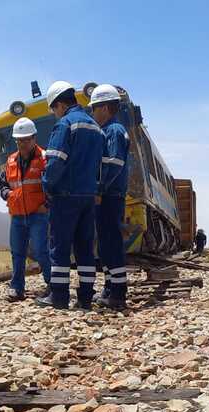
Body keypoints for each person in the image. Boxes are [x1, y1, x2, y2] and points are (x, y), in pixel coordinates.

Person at [37, 81, 103, 310]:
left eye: (54, 109)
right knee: (85, 249)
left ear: (60, 104)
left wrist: (47, 186)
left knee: (60, 248)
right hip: (88, 196)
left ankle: (59, 297)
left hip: (66, 196)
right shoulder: (95, 127)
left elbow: (55, 163)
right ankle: (85, 298)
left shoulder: (65, 125)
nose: (55, 114)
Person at [0, 117, 51, 301]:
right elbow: (3, 182)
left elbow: (53, 183)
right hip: (18, 215)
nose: (23, 143)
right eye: (20, 140)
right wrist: (6, 194)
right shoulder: (11, 160)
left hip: (38, 214)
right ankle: (17, 288)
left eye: (27, 139)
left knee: (41, 250)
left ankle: (52, 285)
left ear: (34, 138)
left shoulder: (44, 158)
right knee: (18, 252)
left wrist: (48, 205)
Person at [90, 84, 130, 310]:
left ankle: (118, 293)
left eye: (94, 108)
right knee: (105, 244)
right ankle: (109, 287)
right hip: (109, 195)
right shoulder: (111, 130)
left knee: (111, 243)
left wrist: (99, 189)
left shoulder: (113, 131)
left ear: (104, 108)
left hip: (110, 196)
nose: (93, 114)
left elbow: (113, 164)